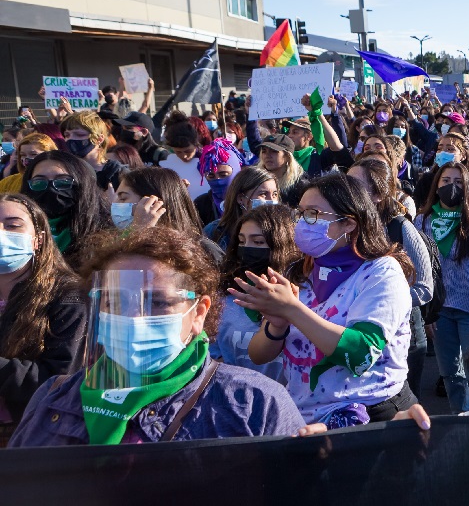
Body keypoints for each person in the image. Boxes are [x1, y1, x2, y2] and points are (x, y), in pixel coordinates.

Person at [9, 227, 306, 446]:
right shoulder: (55, 397)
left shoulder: (254, 404)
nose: (134, 318)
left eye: (158, 302)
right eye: (115, 301)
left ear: (198, 313)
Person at [240, 173, 415, 429]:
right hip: (304, 416)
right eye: (300, 213)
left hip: (369, 416)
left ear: (349, 223)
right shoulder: (297, 271)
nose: (302, 222)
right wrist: (277, 325)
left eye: (313, 214)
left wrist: (292, 310)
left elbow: (360, 355)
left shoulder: (381, 272)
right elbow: (258, 355)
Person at [414, 161, 469, 413]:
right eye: (445, 181)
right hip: (439, 313)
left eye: (458, 182)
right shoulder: (422, 222)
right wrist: (426, 312)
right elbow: (417, 269)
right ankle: (460, 418)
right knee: (451, 373)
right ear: (436, 185)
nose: (451, 187)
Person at [0, 194, 87, 445]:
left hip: (30, 436)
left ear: (38, 240)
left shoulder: (69, 296)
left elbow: (60, 379)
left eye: (13, 225)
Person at [348, 158, 434, 396]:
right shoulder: (345, 227)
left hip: (402, 336)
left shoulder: (400, 228)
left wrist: (380, 302)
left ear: (378, 194)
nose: (347, 189)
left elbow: (424, 288)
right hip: (357, 334)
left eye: (355, 184)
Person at [211, 205, 298, 383]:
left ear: (283, 244)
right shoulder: (226, 295)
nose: (247, 249)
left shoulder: (305, 295)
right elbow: (212, 359)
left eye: (258, 242)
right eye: (241, 242)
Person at [21, 151, 113, 269]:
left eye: (63, 181)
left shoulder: (103, 232)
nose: (51, 189)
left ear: (81, 184)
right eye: (39, 182)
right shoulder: (15, 228)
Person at [112, 167, 223, 263]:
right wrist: (138, 232)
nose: (115, 204)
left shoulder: (203, 251)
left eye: (123, 198)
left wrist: (141, 232)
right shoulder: (118, 243)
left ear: (154, 202)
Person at [204, 166, 279, 250]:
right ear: (241, 198)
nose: (271, 200)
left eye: (274, 194)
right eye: (263, 194)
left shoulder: (281, 230)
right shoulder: (214, 232)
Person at [60, 111, 125, 194]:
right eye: (67, 135)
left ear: (99, 139)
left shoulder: (118, 173)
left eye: (79, 134)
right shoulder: (63, 171)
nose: (70, 139)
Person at [193, 139, 246, 227]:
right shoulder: (201, 204)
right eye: (211, 176)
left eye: (223, 174)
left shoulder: (249, 200)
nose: (218, 180)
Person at [161, 122, 210, 201]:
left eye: (188, 151)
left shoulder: (209, 159)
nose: (184, 156)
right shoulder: (167, 162)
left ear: (196, 145)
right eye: (178, 152)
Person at [254, 134, 306, 207]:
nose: (267, 155)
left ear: (287, 156)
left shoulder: (300, 185)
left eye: (274, 151)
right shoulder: (255, 180)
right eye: (264, 151)